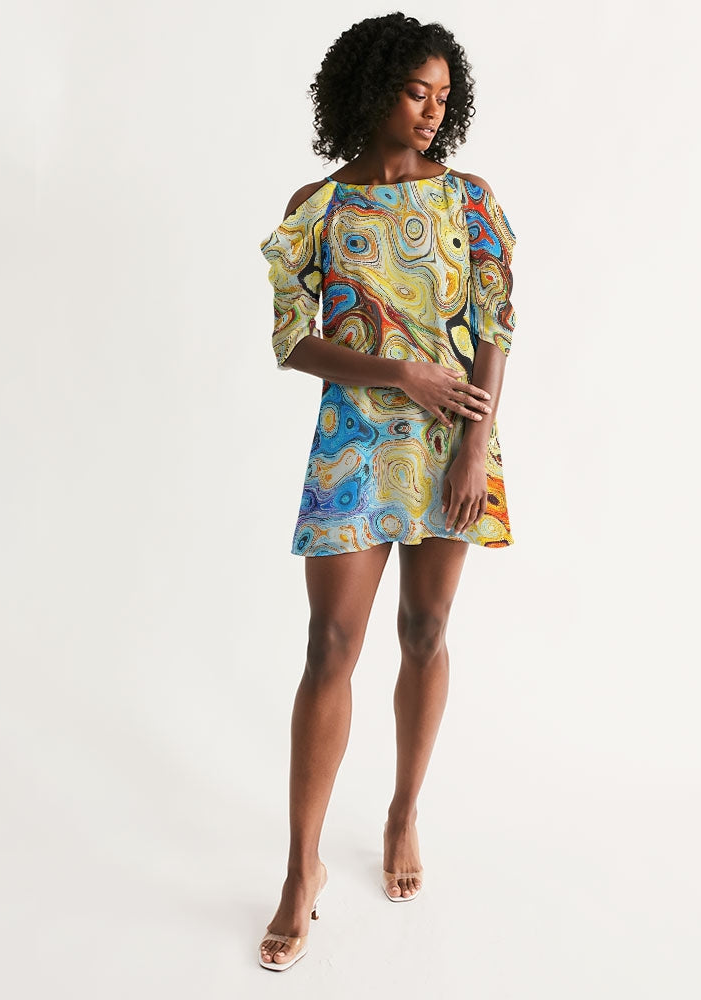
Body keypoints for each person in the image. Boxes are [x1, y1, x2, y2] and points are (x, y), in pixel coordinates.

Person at [257, 12, 517, 971]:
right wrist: (399, 371)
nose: (432, 111)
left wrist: (474, 447)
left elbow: (496, 325)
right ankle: (301, 869)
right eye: (416, 92)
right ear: (372, 92)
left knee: (424, 631)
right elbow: (292, 342)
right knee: (330, 644)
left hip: (451, 443)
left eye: (444, 96)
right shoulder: (319, 207)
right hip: (354, 442)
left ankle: (404, 812)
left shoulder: (470, 200)